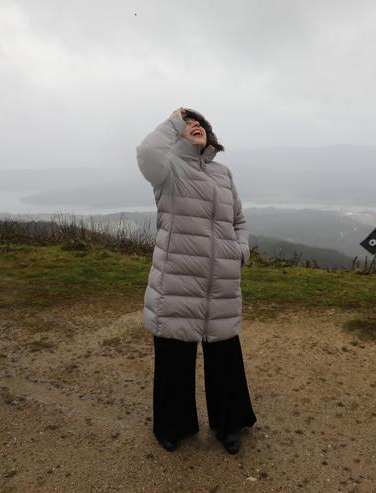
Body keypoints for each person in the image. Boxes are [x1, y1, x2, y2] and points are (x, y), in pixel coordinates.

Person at [136, 107, 256, 454]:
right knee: (175, 353)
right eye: (188, 124)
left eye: (200, 123)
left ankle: (229, 424)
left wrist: (241, 250)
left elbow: (239, 220)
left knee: (225, 355)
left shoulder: (223, 173)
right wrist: (174, 119)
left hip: (221, 281)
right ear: (176, 133)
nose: (195, 126)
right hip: (177, 279)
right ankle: (172, 426)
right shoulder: (168, 170)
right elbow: (146, 152)